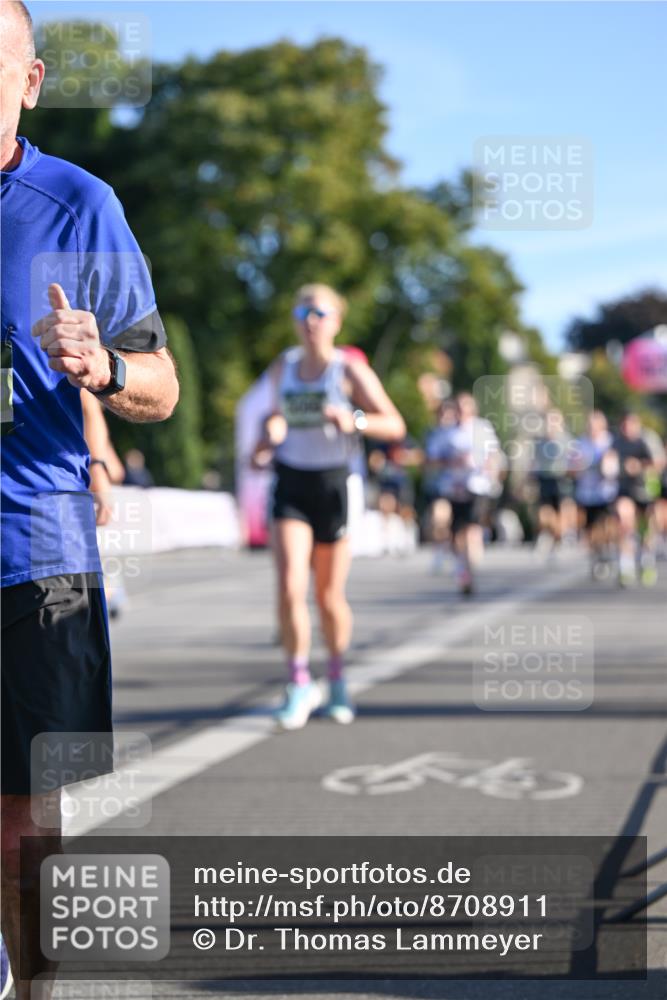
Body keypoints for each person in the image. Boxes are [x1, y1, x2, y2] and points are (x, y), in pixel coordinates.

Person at [0, 4, 179, 996]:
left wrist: (103, 365)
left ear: (29, 82)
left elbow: (163, 386)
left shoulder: (76, 203)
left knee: (26, 811)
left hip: (32, 548)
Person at [253, 283, 405, 730]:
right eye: (303, 312)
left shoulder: (348, 369)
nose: (310, 320)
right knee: (288, 585)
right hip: (291, 480)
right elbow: (271, 417)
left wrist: (354, 418)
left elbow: (394, 424)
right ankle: (299, 682)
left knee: (328, 596)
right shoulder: (285, 365)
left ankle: (336, 678)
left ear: (336, 322)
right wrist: (270, 433)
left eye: (319, 312)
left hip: (335, 484)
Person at [424, 393, 504, 595]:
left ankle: (467, 571)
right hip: (450, 488)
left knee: (469, 533)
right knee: (441, 519)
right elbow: (431, 459)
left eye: (465, 406)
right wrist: (452, 462)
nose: (461, 411)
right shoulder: (445, 431)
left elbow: (493, 456)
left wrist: (481, 465)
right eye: (458, 407)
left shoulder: (481, 428)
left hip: (475, 487)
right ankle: (452, 556)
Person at [570, 410, 618, 580]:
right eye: (589, 424)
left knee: (606, 525)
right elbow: (571, 469)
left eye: (595, 424)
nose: (592, 428)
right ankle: (597, 557)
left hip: (607, 492)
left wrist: (607, 467)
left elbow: (614, 466)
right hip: (586, 493)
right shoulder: (580, 443)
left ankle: (608, 550)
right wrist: (577, 467)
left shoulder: (609, 442)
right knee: (590, 530)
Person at [612, 411, 657, 587]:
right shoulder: (616, 442)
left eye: (630, 425)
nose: (627, 429)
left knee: (645, 530)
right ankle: (626, 566)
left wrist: (639, 465)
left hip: (645, 490)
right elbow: (607, 460)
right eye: (624, 425)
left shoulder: (646, 440)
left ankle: (647, 560)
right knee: (624, 523)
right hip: (625, 490)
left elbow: (658, 462)